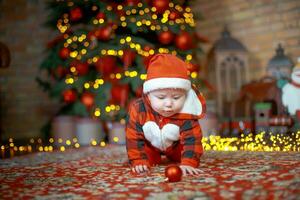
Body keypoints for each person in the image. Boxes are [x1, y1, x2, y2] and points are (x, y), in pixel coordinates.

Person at [126, 53, 206, 176]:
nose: (168, 104)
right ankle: (146, 158)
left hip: (176, 147)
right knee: (146, 160)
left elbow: (192, 139)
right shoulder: (138, 109)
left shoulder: (187, 111)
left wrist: (189, 162)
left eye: (176, 97)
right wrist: (137, 160)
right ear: (148, 95)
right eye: (161, 97)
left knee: (183, 157)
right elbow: (133, 137)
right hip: (150, 147)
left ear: (185, 95)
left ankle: (180, 157)